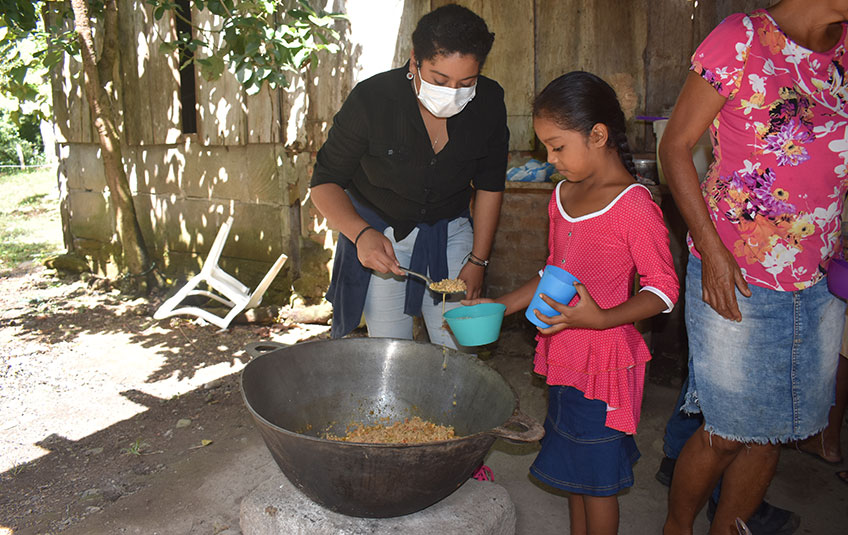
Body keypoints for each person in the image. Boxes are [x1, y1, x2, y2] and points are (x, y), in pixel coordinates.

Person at [659, 2, 848, 533]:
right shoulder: (742, 37)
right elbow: (675, 146)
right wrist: (712, 250)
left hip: (819, 279)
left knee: (773, 431)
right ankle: (676, 528)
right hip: (737, 272)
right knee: (728, 431)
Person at [464, 71, 679, 535]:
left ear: (598, 135)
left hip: (604, 366)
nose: (550, 159)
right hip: (564, 358)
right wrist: (501, 306)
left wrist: (600, 317)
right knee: (578, 476)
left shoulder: (634, 205)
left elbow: (663, 290)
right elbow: (552, 273)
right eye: (545, 147)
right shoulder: (562, 196)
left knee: (598, 481)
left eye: (558, 146)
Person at [309, 4, 509, 348]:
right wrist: (361, 235)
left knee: (460, 350)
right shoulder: (372, 100)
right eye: (439, 79)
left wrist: (478, 260)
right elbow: (324, 182)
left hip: (450, 232)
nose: (453, 92)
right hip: (381, 234)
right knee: (390, 350)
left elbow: (490, 186)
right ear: (414, 59)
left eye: (467, 82)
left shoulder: (488, 101)